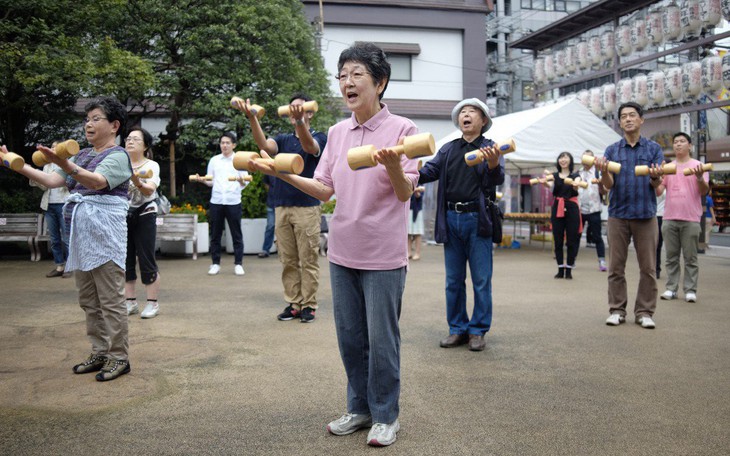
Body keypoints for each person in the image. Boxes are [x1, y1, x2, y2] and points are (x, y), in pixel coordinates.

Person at [250, 42, 417, 447]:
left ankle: (386, 416)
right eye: (342, 76)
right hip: (343, 251)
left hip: (382, 255)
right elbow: (324, 189)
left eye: (357, 74)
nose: (347, 82)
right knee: (350, 337)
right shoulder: (339, 133)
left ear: (380, 82)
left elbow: (404, 192)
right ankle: (359, 409)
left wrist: (394, 165)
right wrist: (282, 174)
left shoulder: (404, 130)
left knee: (382, 340)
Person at [4, 96, 133, 381]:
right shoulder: (83, 154)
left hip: (106, 237)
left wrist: (63, 162)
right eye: (87, 119)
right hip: (81, 236)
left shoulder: (118, 155)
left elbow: (96, 182)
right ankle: (99, 351)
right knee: (88, 300)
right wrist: (13, 162)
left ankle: (119, 357)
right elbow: (51, 180)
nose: (88, 124)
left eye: (95, 118)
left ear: (114, 125)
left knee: (111, 301)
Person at [418, 98, 504, 351]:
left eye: (472, 112)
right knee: (453, 280)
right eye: (463, 112)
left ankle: (477, 331)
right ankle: (457, 329)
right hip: (450, 218)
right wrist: (405, 167)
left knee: (481, 279)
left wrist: (493, 163)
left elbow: (496, 179)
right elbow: (427, 172)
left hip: (478, 220)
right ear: (458, 121)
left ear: (483, 121)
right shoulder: (448, 149)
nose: (466, 115)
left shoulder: (490, 148)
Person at [237, 94, 326, 323]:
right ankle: (294, 303)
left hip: (307, 206)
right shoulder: (284, 139)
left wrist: (300, 122)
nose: (295, 113)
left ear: (310, 112)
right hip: (281, 206)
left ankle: (309, 304)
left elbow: (309, 146)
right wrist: (253, 118)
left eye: (300, 109)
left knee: (308, 259)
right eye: (292, 110)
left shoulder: (319, 137)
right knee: (287, 259)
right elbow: (264, 145)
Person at [595, 102, 664, 329]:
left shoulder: (653, 149)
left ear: (641, 120)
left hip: (646, 215)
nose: (628, 119)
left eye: (632, 115)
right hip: (618, 215)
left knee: (648, 267)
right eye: (623, 116)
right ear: (620, 122)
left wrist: (655, 177)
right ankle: (617, 309)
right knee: (616, 267)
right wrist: (604, 171)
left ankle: (644, 312)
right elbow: (607, 185)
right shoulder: (612, 150)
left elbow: (657, 184)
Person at [656, 132, 710, 303]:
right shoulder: (668, 167)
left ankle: (690, 290)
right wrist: (655, 178)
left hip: (691, 218)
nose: (678, 144)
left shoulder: (698, 165)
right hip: (669, 217)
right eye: (676, 142)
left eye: (682, 141)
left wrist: (700, 177)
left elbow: (704, 191)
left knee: (690, 258)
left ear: (690, 145)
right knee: (671, 257)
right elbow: (659, 191)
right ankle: (671, 288)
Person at [191, 132, 248, 276]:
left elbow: (246, 182)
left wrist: (240, 179)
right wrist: (202, 180)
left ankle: (238, 264)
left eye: (228, 142)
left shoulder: (239, 160)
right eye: (222, 142)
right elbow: (210, 181)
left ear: (234, 145)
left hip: (233, 201)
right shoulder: (214, 160)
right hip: (216, 201)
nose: (224, 145)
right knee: (215, 234)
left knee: (236, 234)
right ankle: (215, 263)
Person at [124, 127, 162, 318]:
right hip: (123, 214)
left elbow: (148, 190)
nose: (130, 141)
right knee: (125, 258)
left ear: (145, 145)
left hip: (146, 212)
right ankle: (130, 302)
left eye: (136, 139)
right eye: (128, 138)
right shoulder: (120, 163)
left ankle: (152, 303)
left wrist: (136, 180)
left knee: (146, 258)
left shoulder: (152, 165)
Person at [30, 141, 71, 278]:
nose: (53, 149)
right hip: (49, 206)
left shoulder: (67, 163)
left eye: (56, 147)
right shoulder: (46, 165)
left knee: (67, 238)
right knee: (54, 239)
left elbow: (70, 184)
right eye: (52, 147)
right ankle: (59, 266)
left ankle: (70, 267)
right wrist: (34, 176)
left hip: (64, 204)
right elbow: (45, 187)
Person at [542, 152, 581, 279]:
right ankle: (560, 268)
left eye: (565, 157)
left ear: (570, 160)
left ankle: (569, 269)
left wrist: (576, 185)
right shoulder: (554, 176)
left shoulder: (576, 176)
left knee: (571, 240)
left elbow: (577, 186)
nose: (563, 160)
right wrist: (545, 183)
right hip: (557, 206)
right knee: (558, 240)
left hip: (571, 208)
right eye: (561, 158)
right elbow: (552, 188)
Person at [577, 150, 607, 272]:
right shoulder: (578, 173)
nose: (586, 160)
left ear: (593, 159)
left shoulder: (597, 172)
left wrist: (600, 184)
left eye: (588, 158)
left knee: (597, 236)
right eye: (584, 157)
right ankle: (571, 260)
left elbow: (604, 192)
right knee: (576, 236)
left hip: (594, 210)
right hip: (580, 210)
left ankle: (602, 260)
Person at [258, 174, 277, 258]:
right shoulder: (270, 169)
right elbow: (266, 184)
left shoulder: (287, 166)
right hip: (272, 203)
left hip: (284, 204)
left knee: (286, 228)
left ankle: (288, 251)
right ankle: (265, 250)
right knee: (270, 226)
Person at [407, 185, 425, 260]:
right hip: (407, 208)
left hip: (417, 210)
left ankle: (417, 253)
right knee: (408, 233)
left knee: (417, 233)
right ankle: (408, 252)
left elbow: (419, 195)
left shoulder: (421, 181)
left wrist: (416, 192)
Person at [655, 188, 666, 279]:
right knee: (655, 245)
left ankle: (656, 269)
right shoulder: (653, 182)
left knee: (658, 245)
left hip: (665, 216)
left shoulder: (668, 183)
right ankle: (655, 268)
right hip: (654, 215)